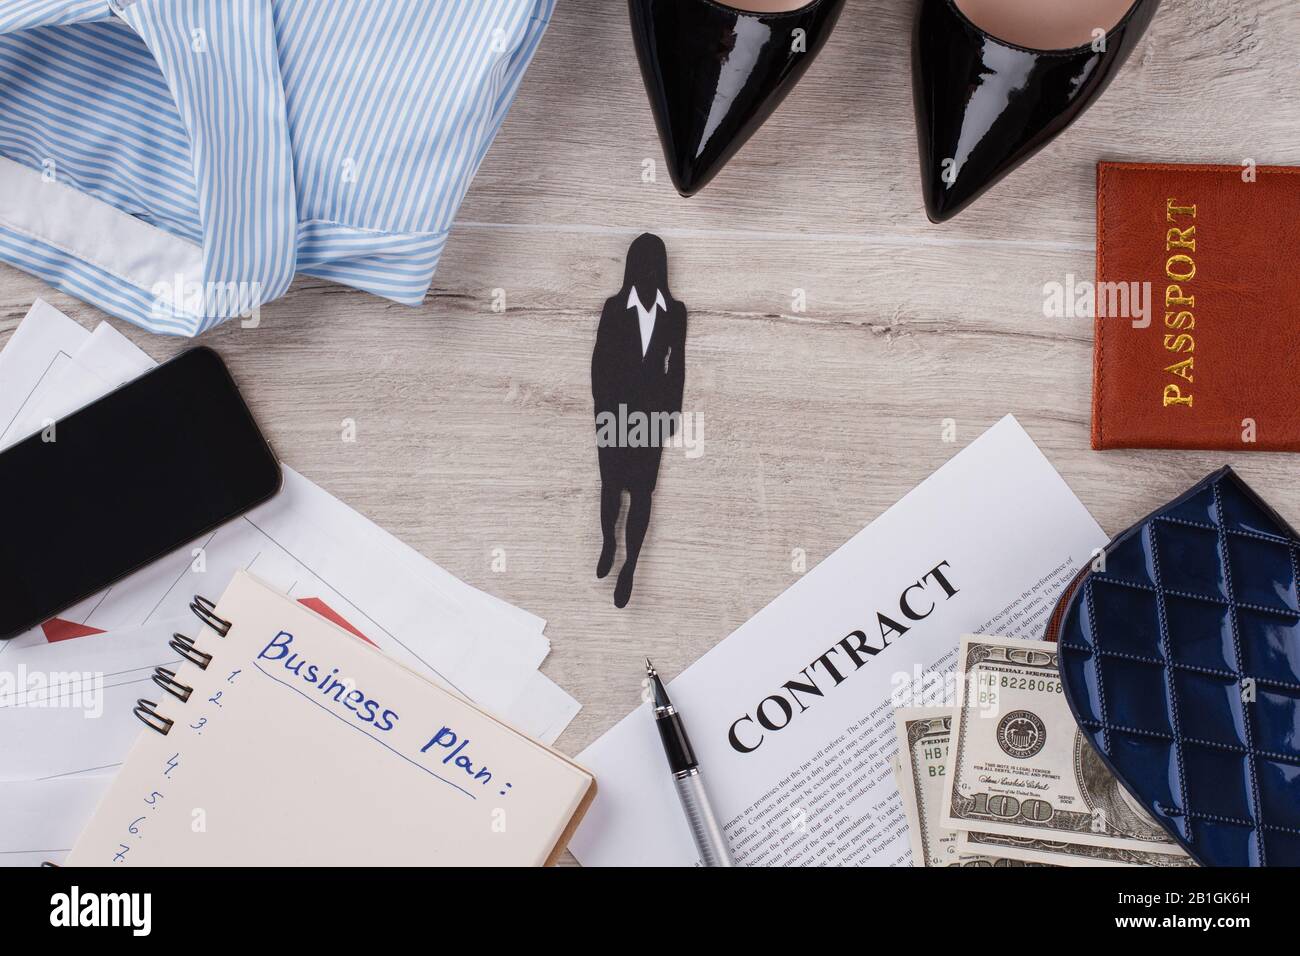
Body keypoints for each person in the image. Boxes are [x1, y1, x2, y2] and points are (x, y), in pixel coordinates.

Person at [592, 233, 687, 608]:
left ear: (660, 269)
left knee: (643, 492)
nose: (648, 272)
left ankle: (630, 565)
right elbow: (600, 360)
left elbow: (676, 365)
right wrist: (602, 408)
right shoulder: (614, 307)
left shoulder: (675, 311)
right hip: (614, 410)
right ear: (633, 267)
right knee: (611, 484)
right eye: (642, 265)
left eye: (654, 265)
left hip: (652, 412)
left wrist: (671, 414)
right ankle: (608, 542)